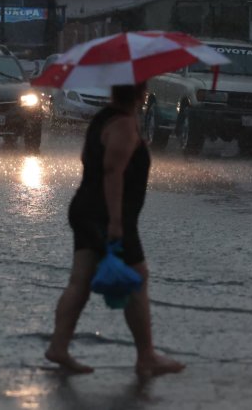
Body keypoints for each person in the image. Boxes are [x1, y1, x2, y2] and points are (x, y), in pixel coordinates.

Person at [45, 82, 185, 378]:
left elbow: (89, 159)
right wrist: (116, 222)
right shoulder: (122, 125)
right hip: (106, 215)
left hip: (86, 208)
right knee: (137, 277)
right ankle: (146, 357)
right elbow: (112, 172)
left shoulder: (103, 118)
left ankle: (59, 346)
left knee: (80, 280)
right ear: (140, 94)